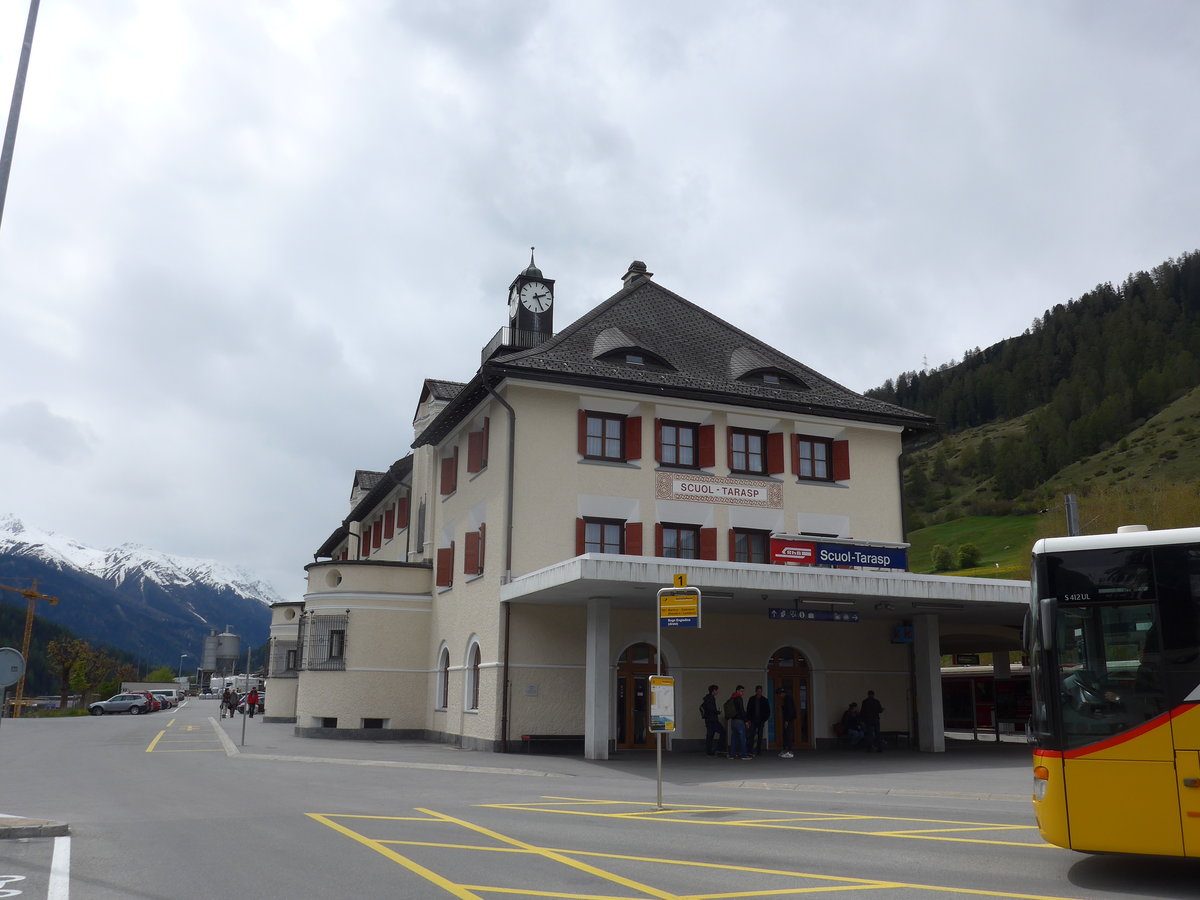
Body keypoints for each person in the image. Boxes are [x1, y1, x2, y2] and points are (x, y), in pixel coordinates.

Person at [724, 685, 751, 759]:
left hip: (733, 721)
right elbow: (741, 710)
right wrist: (746, 721)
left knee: (734, 739)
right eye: (741, 691)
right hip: (739, 721)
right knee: (742, 738)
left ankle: (732, 754)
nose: (742, 693)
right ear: (737, 691)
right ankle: (744, 755)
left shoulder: (732, 698)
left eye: (743, 691)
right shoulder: (739, 698)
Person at [700, 684, 726, 756]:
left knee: (710, 736)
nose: (717, 692)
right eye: (716, 690)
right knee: (723, 732)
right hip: (713, 720)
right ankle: (718, 748)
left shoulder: (706, 698)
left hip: (708, 720)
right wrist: (718, 712)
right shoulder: (711, 698)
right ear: (713, 691)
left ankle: (709, 751)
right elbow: (711, 709)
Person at [746, 685, 770, 756]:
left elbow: (768, 711)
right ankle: (750, 750)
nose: (759, 693)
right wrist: (749, 719)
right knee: (751, 735)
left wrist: (764, 719)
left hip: (761, 720)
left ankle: (758, 750)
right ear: (756, 691)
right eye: (758, 691)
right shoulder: (752, 699)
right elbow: (748, 710)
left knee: (760, 735)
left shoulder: (764, 700)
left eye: (760, 691)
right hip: (753, 720)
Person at [776, 687, 796, 758]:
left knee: (788, 734)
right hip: (787, 719)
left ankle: (790, 751)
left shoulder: (788, 698)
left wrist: (787, 720)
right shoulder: (786, 698)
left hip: (788, 719)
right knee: (785, 734)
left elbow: (789, 710)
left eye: (779, 694)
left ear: (782, 693)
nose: (779, 696)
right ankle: (785, 750)